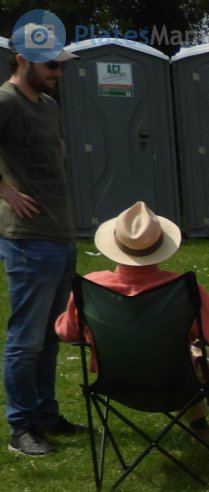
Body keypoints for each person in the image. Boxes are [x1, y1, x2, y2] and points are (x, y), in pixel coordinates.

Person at [55, 202, 209, 441]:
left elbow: (67, 333)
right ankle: (199, 426)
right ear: (161, 246)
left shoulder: (90, 287)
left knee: (191, 353)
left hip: (116, 386)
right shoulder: (183, 292)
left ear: (116, 244)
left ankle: (198, 426)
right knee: (201, 356)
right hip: (180, 386)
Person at [0, 24, 79, 458]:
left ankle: (47, 414)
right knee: (26, 339)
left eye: (61, 66)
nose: (57, 73)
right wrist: (7, 192)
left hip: (60, 233)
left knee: (51, 335)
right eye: (51, 65)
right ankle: (21, 426)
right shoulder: (6, 101)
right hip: (28, 239)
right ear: (22, 60)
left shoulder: (48, 106)